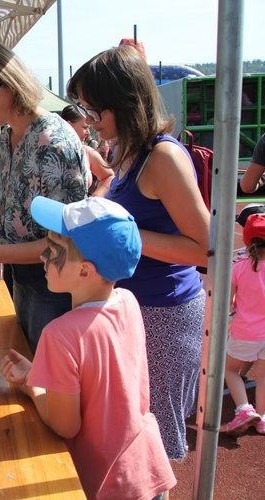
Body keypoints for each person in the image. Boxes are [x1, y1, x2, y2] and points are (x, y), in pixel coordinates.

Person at [67, 45, 210, 459]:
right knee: (128, 428)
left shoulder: (162, 156)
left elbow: (203, 246)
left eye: (95, 112)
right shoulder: (123, 152)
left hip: (165, 313)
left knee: (154, 440)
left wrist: (123, 233)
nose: (91, 123)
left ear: (125, 104)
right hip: (133, 307)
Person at [1, 195, 176, 499]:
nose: (43, 256)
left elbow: (65, 425)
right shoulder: (129, 303)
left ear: (84, 271)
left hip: (107, 482)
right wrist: (42, 372)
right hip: (146, 469)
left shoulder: (59, 335)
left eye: (53, 250)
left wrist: (33, 386)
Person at [0, 41, 88, 353]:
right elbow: (16, 210)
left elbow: (69, 241)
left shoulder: (54, 141)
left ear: (12, 84)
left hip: (53, 287)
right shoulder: (6, 135)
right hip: (18, 275)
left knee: (46, 387)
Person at [223, 213, 265, 435]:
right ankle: (263, 419)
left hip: (246, 331)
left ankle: (244, 410)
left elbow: (229, 302)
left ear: (248, 241)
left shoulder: (239, 267)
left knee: (230, 370)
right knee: (263, 376)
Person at [59, 105, 115, 197]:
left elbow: (109, 177)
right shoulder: (45, 152)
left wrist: (95, 198)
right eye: (85, 127)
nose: (88, 133)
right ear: (69, 125)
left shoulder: (87, 152)